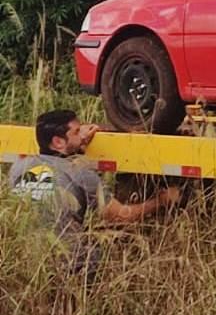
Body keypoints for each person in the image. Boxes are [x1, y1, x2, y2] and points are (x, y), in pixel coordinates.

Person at [7, 109, 181, 277]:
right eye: (77, 131)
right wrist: (162, 199)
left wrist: (78, 143)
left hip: (30, 258)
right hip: (70, 260)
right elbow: (122, 216)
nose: (82, 135)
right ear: (58, 142)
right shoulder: (81, 174)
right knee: (104, 250)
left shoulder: (19, 167)